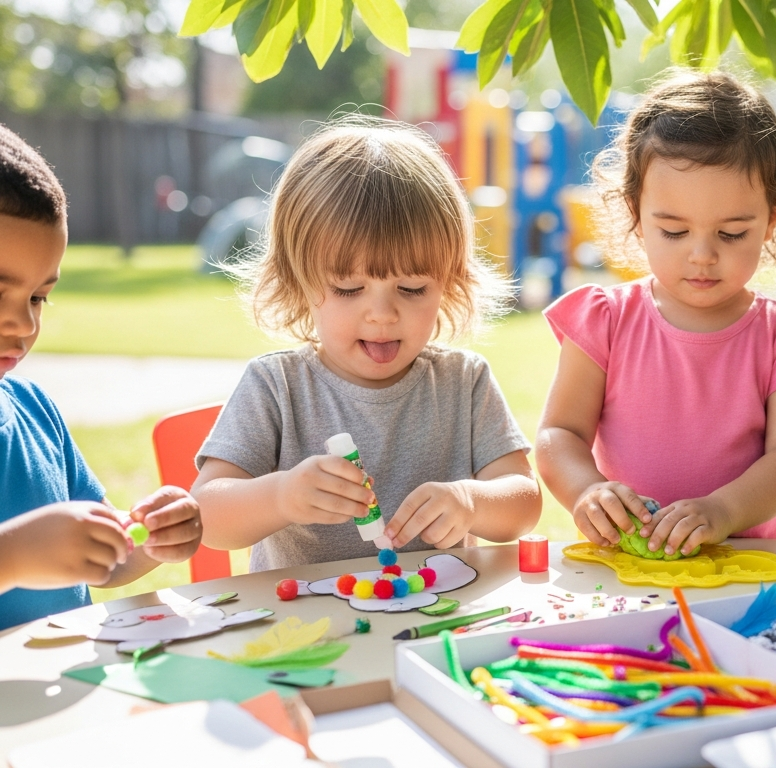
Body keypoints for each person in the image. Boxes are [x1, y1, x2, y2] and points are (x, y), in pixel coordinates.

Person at [191, 117, 541, 570]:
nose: (382, 314)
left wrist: (471, 502)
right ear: (298, 282)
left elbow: (525, 502)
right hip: (311, 631)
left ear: (449, 283)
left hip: (434, 623)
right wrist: (281, 496)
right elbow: (207, 514)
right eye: (348, 289)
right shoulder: (276, 385)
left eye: (413, 289)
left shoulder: (463, 382)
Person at [536, 71, 776, 557]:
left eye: (732, 233)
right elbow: (560, 434)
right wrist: (586, 491)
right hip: (626, 562)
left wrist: (723, 510)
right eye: (675, 232)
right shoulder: (604, 321)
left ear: (774, 217)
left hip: (745, 563)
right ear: (636, 211)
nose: (702, 255)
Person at [0, 123, 202, 628]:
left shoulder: (33, 410)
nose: (24, 323)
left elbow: (107, 560)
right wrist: (14, 557)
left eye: (38, 297)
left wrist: (153, 537)